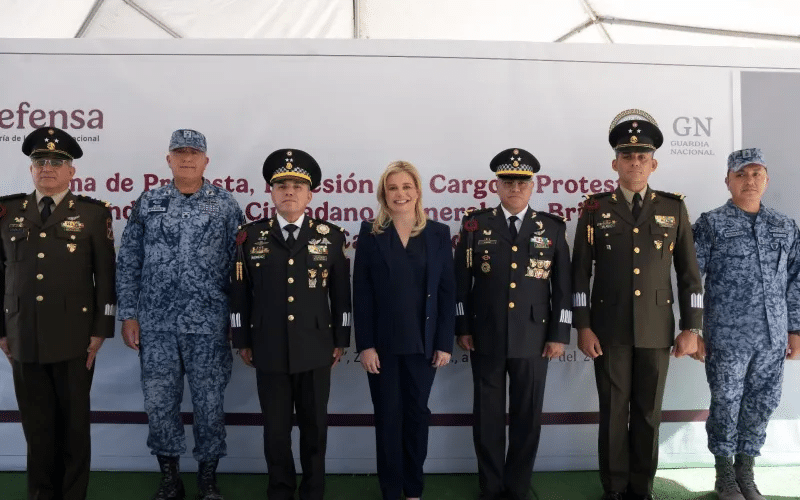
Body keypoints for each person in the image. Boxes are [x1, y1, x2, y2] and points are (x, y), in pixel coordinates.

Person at [571, 109, 704, 500]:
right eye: (627, 156)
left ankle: (641, 489)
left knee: (648, 413)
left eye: (642, 157)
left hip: (656, 327)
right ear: (615, 163)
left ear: (653, 163)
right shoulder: (595, 208)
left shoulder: (673, 208)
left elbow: (690, 276)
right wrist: (583, 324)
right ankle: (613, 489)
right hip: (607, 328)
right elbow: (580, 274)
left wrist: (691, 328)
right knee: (613, 413)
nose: (635, 162)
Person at [116, 129, 244, 500]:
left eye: (194, 153)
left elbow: (240, 268)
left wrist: (237, 320)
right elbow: (129, 261)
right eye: (179, 152)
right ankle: (170, 478)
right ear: (168, 159)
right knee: (159, 402)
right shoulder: (149, 201)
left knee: (209, 403)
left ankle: (207, 479)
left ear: (206, 161)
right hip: (156, 324)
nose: (187, 158)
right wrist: (128, 314)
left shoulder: (224, 204)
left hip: (209, 323)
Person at [0, 126, 116, 500]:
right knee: (37, 427)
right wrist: (1, 330)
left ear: (71, 171)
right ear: (31, 169)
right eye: (40, 161)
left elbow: (106, 277)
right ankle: (40, 494)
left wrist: (101, 329)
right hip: (23, 335)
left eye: (56, 162)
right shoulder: (7, 213)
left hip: (75, 337)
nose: (47, 167)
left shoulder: (92, 215)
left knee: (74, 427)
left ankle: (72, 495)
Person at [229, 149, 351, 500]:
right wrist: (242, 339)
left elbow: (342, 296)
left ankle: (313, 492)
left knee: (315, 429)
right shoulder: (250, 237)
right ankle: (280, 491)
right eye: (281, 185)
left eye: (298, 185)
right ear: (271, 191)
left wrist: (340, 337)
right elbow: (241, 295)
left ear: (310, 194)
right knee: (276, 432)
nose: (289, 191)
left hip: (316, 347)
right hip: (268, 347)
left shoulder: (330, 236)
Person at [454, 148, 571, 500]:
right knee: (487, 418)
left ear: (532, 185)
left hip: (534, 337)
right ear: (497, 185)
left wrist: (559, 334)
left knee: (527, 417)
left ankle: (518, 487)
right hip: (485, 334)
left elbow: (562, 288)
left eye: (522, 182)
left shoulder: (551, 227)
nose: (515, 187)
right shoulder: (475, 224)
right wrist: (462, 326)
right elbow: (461, 281)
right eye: (508, 182)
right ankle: (490, 488)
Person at [692, 148, 800, 500]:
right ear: (728, 180)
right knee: (726, 402)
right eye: (741, 174)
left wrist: (796, 329)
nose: (749, 180)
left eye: (756, 174)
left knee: (762, 404)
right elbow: (691, 279)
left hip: (773, 338)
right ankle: (724, 474)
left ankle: (746, 472)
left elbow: (796, 280)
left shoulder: (785, 226)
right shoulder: (711, 224)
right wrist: (693, 329)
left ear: (766, 179)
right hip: (727, 338)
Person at [353, 161, 455, 500]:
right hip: (382, 347)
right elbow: (362, 294)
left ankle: (413, 489)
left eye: (406, 187)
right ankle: (391, 490)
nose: (400, 194)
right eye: (393, 188)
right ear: (383, 194)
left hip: (423, 346)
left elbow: (447, 293)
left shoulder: (439, 233)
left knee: (416, 418)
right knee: (387, 418)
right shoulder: (369, 233)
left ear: (417, 191)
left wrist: (444, 342)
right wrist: (365, 345)